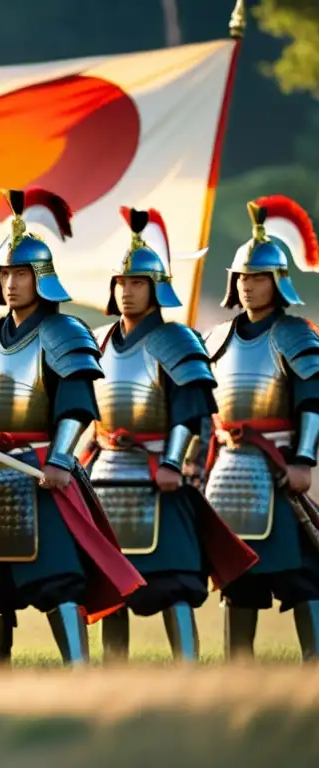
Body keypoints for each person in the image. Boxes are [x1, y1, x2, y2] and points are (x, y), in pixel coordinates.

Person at [0, 188, 145, 667]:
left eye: (22, 273)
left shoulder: (65, 333)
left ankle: (77, 670)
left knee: (59, 577)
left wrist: (59, 460)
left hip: (42, 476)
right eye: (6, 274)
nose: (12, 284)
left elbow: (76, 408)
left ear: (43, 278)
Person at [81, 206, 257, 662]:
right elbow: (84, 411)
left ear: (156, 288)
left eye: (137, 283)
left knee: (174, 578)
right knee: (109, 582)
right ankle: (112, 670)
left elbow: (192, 411)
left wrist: (175, 463)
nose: (127, 291)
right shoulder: (95, 341)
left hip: (160, 476)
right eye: (121, 282)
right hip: (103, 476)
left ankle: (187, 667)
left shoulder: (177, 341)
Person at [199, 195, 319, 661]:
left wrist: (304, 460)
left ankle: (314, 665)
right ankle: (239, 668)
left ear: (278, 282)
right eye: (242, 278)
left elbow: (312, 403)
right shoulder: (215, 340)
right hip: (227, 474)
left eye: (259, 277)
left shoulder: (296, 336)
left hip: (277, 472)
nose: (249, 286)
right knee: (238, 578)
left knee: (301, 573)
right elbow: (203, 408)